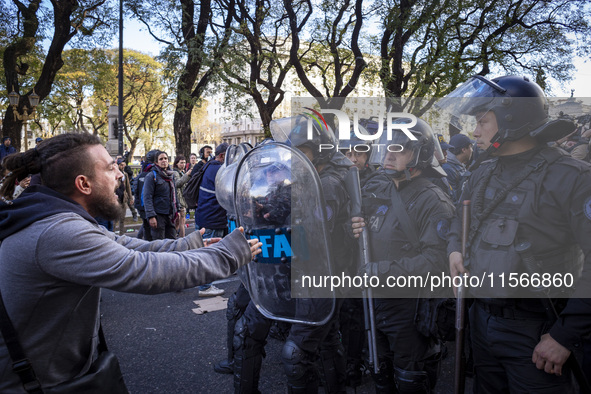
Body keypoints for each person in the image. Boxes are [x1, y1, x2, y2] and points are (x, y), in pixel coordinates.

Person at [0, 133, 262, 392]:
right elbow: (145, 271)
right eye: (110, 167)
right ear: (83, 183)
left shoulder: (56, 217)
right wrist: (228, 255)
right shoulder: (58, 231)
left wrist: (190, 245)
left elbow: (129, 246)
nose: (119, 174)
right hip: (38, 385)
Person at [443, 75, 591, 392]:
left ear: (513, 118)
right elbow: (461, 217)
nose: (475, 131)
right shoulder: (482, 170)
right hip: (480, 321)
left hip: (537, 329)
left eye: (483, 121)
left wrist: (565, 335)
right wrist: (455, 248)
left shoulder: (571, 176)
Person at [352, 118, 455, 393]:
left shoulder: (433, 199)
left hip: (410, 309)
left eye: (399, 149)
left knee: (411, 380)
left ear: (420, 153)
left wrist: (381, 272)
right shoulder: (384, 190)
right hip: (377, 303)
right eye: (387, 148)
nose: (388, 154)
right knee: (382, 376)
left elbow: (437, 262)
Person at [195, 143, 229, 297]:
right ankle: (205, 287)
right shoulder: (220, 169)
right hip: (212, 219)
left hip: (204, 216)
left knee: (204, 252)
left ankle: (204, 283)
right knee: (209, 254)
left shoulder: (209, 166)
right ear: (221, 156)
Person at [142, 151, 177, 240]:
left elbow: (174, 194)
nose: (164, 161)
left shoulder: (170, 175)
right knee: (160, 244)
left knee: (172, 242)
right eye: (161, 159)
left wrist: (178, 210)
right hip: (158, 215)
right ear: (156, 162)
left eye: (165, 158)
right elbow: (147, 197)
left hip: (170, 215)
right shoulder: (151, 176)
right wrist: (151, 216)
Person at [133, 150, 158, 241]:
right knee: (152, 233)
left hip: (142, 207)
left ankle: (139, 240)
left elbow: (135, 191)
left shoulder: (142, 174)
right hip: (150, 208)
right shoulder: (154, 174)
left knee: (146, 228)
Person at [441, 133, 473, 203]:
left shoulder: (458, 166)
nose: (472, 150)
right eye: (470, 147)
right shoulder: (448, 169)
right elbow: (453, 200)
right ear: (464, 149)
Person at [173, 155, 192, 238]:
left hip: (182, 200)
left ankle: (178, 237)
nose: (183, 164)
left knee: (180, 222)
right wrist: (187, 175)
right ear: (176, 163)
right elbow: (178, 184)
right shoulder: (175, 173)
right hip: (179, 200)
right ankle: (181, 238)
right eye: (181, 163)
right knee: (181, 221)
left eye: (184, 162)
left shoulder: (182, 172)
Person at [115, 158, 134, 235]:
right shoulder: (114, 174)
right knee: (114, 219)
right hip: (116, 199)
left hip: (123, 199)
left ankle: (121, 234)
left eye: (124, 165)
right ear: (118, 165)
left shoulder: (125, 174)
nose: (123, 166)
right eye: (121, 165)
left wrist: (130, 198)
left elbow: (128, 187)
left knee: (122, 219)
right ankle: (112, 235)